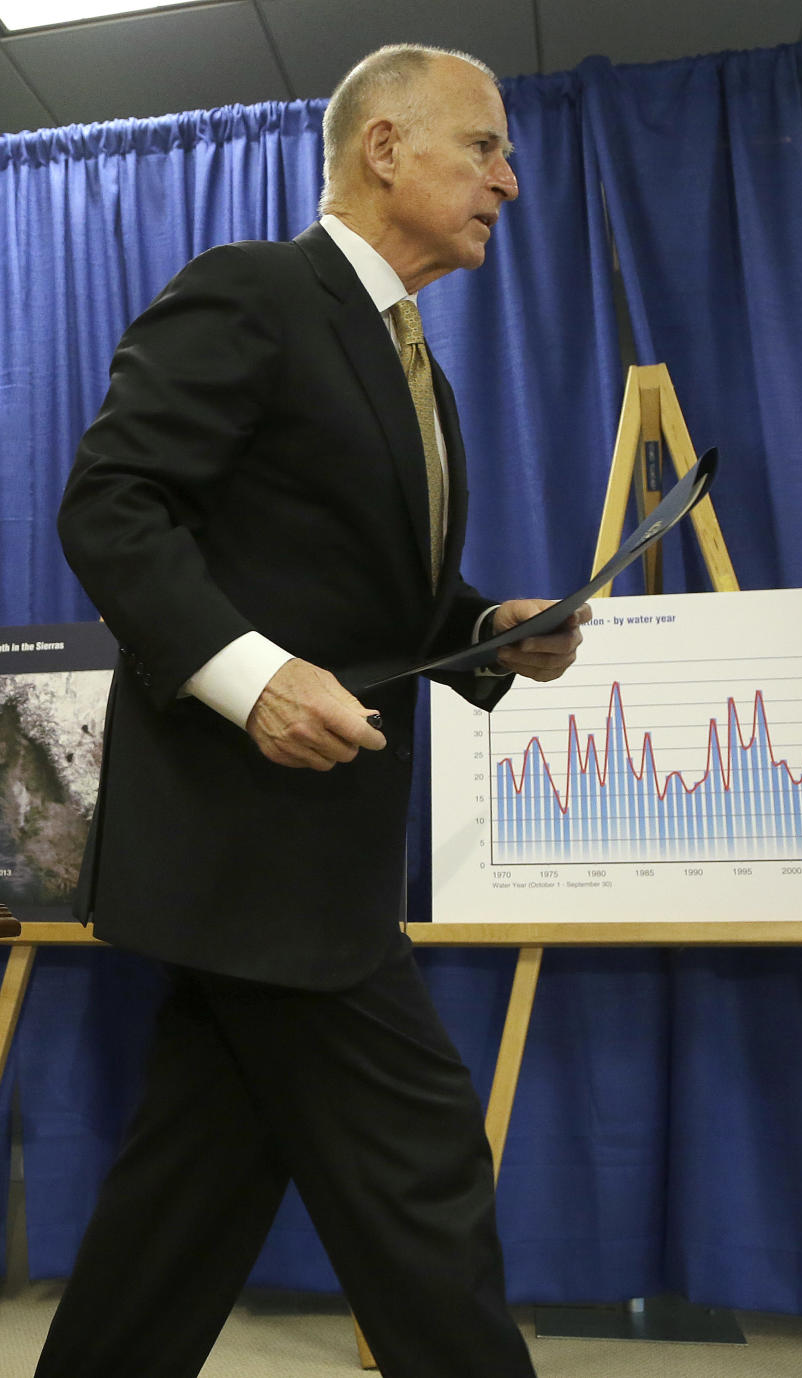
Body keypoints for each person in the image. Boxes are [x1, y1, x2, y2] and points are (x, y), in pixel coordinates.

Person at [35, 43, 589, 1378]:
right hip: (257, 854)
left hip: (305, 866)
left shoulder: (424, 375)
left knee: (181, 1210)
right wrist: (250, 675)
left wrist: (487, 634)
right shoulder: (256, 292)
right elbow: (112, 505)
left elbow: (376, 601)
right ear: (384, 149)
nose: (510, 180)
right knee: (424, 1169)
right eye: (485, 149)